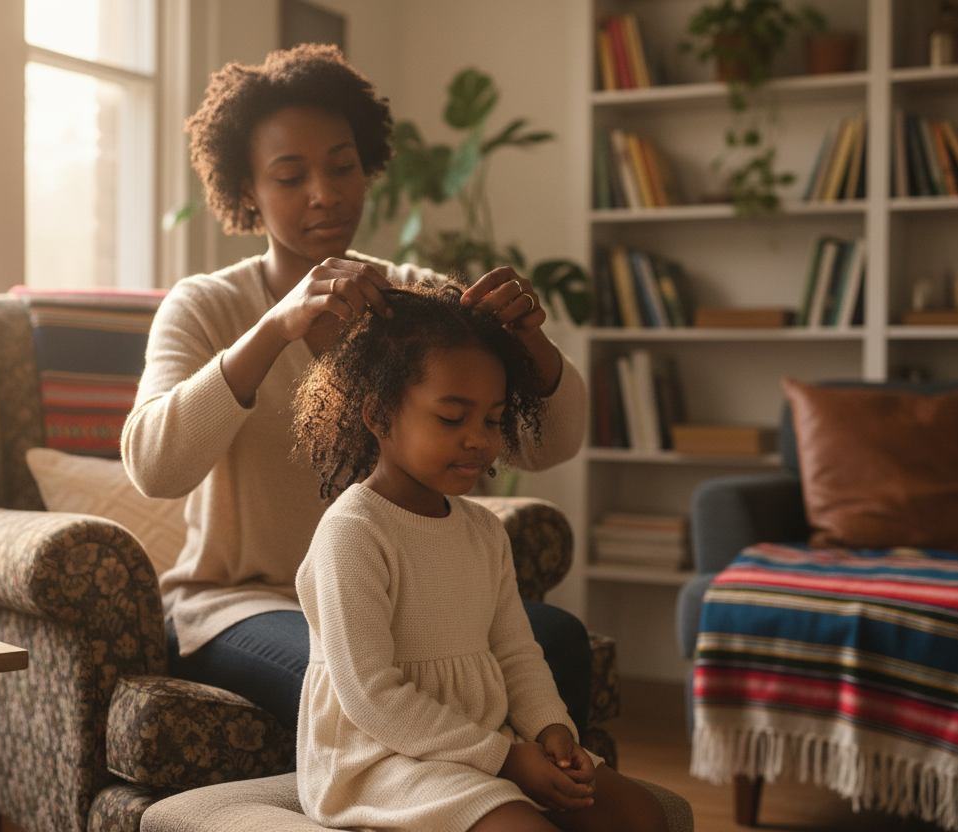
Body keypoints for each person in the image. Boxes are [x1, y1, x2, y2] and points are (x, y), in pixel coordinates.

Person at [121, 43, 591, 733]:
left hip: (413, 595)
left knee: (560, 641)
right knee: (344, 678)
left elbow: (548, 445)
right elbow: (154, 467)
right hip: (245, 606)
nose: (326, 192)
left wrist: (533, 345)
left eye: (342, 166)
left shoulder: (421, 301)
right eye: (291, 176)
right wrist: (274, 329)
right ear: (247, 191)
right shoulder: (204, 308)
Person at [291, 281, 667, 832]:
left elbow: (516, 654)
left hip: (481, 741)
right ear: (379, 415)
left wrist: (551, 731)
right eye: (451, 418)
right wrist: (507, 759)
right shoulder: (353, 534)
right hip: (380, 759)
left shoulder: (484, 531)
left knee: (638, 814)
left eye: (491, 420)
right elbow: (371, 697)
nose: (478, 441)